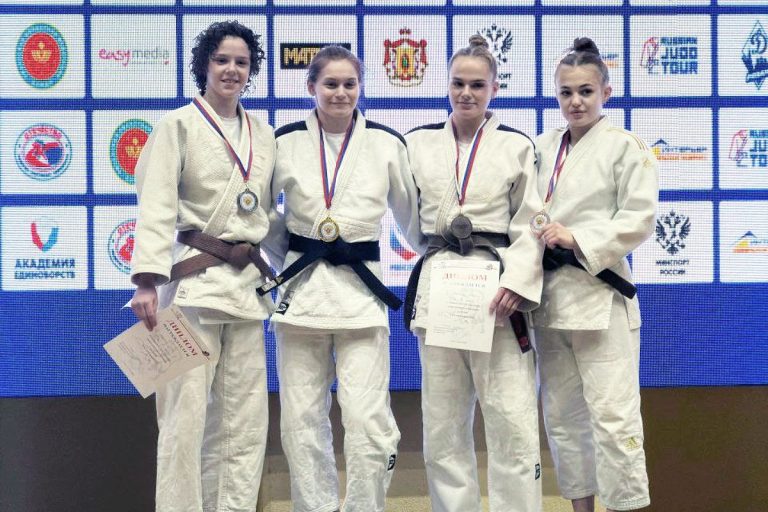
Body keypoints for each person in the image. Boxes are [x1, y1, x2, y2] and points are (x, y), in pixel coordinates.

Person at [258, 45, 423, 512]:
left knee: (369, 422)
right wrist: (300, 252)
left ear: (360, 87)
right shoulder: (284, 141)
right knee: (301, 422)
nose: (340, 93)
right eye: (330, 83)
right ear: (311, 86)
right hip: (302, 296)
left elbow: (411, 221)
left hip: (361, 296)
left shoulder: (387, 144)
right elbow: (261, 215)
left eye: (350, 84)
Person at [129, 20, 275, 512]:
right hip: (192, 285)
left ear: (251, 69)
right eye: (222, 60)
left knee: (244, 425)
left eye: (241, 62)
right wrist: (146, 281)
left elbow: (265, 214)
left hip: (245, 290)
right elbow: (155, 204)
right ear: (204, 65)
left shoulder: (263, 133)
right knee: (183, 423)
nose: (232, 69)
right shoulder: (176, 125)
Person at [404, 35, 544, 512]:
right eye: (458, 83)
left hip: (497, 291)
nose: (466, 93)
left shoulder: (516, 146)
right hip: (441, 285)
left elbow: (531, 223)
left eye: (477, 85)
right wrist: (435, 258)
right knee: (442, 421)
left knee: (512, 418)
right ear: (447, 85)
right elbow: (409, 219)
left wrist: (517, 283)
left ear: (494, 88)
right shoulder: (417, 144)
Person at [531, 37, 658, 512]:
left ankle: (625, 506)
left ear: (606, 91)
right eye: (566, 92)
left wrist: (577, 238)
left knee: (613, 418)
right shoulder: (542, 147)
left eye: (586, 91)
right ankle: (580, 507)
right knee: (563, 419)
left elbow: (639, 218)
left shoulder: (627, 147)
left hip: (601, 297)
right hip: (550, 300)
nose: (576, 102)